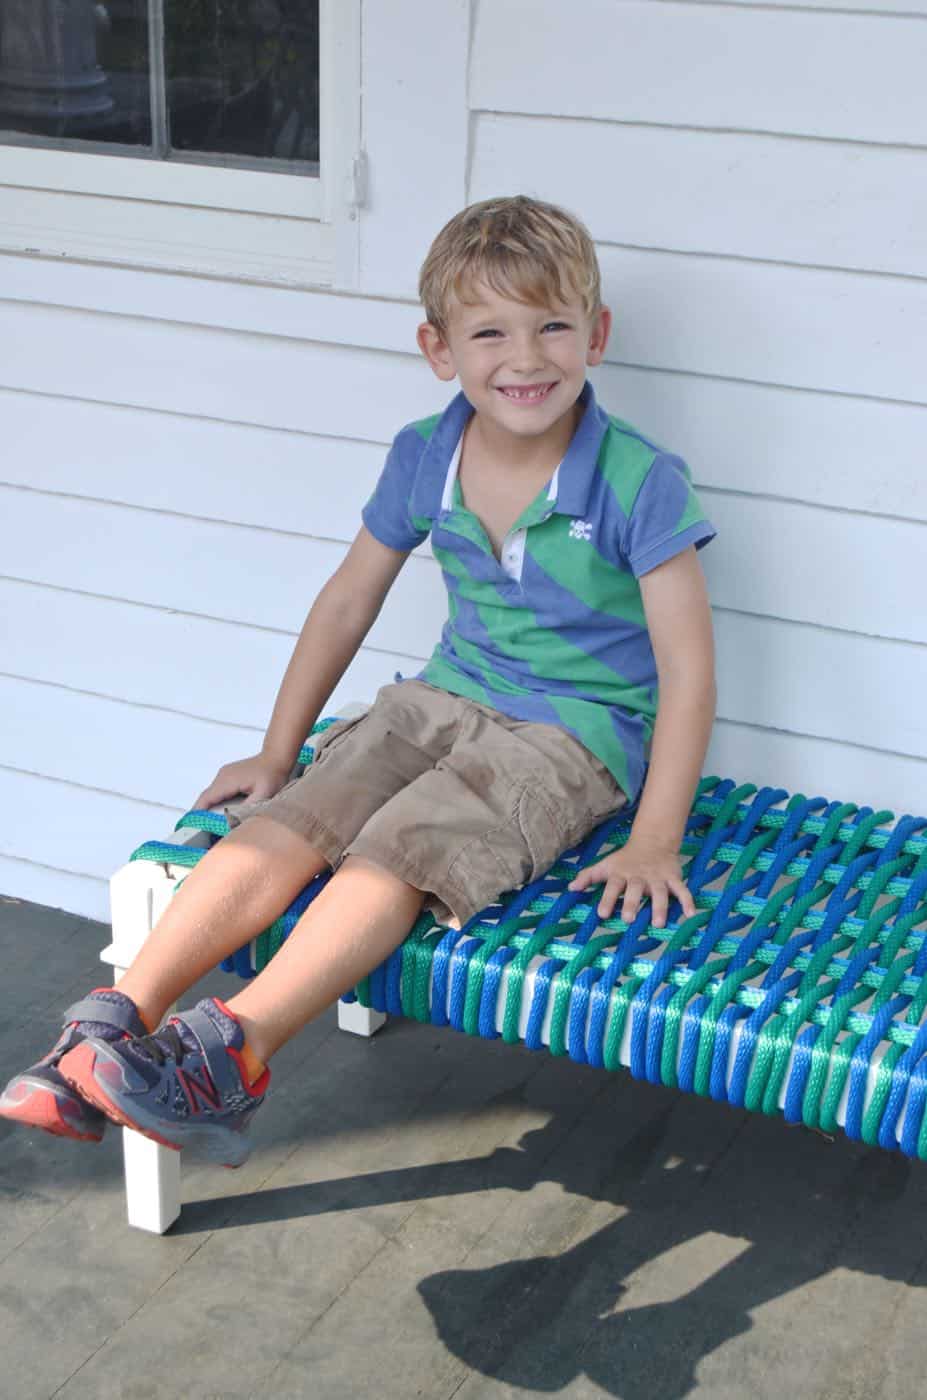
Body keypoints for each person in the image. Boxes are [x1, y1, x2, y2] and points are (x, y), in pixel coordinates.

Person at [0, 196, 716, 1167]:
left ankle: (234, 1053)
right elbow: (348, 600)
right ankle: (114, 1021)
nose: (527, 355)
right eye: (491, 330)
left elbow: (687, 669)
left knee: (398, 849)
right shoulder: (427, 452)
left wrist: (655, 838)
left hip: (572, 732)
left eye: (554, 324)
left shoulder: (636, 478)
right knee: (298, 814)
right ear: (439, 347)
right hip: (442, 695)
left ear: (596, 334)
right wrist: (275, 747)